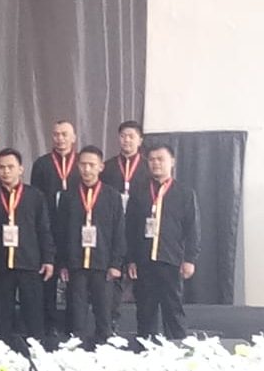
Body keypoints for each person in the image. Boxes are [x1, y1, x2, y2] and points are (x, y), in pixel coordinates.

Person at [0, 149, 54, 347]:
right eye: (1, 167)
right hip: (0, 265)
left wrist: (48, 259)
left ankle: (36, 352)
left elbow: (44, 230)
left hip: (30, 263)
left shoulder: (35, 196)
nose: (6, 171)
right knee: (0, 316)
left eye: (10, 167)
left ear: (21, 169)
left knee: (33, 314)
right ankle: (0, 353)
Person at [126, 145, 200, 340]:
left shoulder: (184, 193)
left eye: (161, 159)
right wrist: (131, 259)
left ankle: (178, 349)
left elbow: (192, 229)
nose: (156, 163)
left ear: (172, 162)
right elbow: (130, 228)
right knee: (145, 310)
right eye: (152, 159)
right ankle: (146, 350)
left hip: (171, 260)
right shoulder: (139, 192)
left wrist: (190, 259)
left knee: (173, 309)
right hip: (144, 262)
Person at [57, 145, 125, 346]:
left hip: (103, 264)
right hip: (75, 263)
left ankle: (104, 348)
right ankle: (76, 349)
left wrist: (116, 263)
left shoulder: (112, 196)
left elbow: (119, 232)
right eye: (83, 165)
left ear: (101, 167)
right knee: (76, 313)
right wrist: (62, 263)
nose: (87, 169)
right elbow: (60, 232)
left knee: (104, 313)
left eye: (91, 165)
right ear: (78, 166)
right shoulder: (68, 196)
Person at [30, 120, 80, 335]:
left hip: (76, 232)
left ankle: (73, 327)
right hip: (49, 229)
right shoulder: (42, 164)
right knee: (47, 278)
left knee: (75, 281)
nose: (60, 138)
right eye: (56, 134)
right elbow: (35, 199)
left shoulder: (82, 163)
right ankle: (49, 326)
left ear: (73, 137)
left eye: (64, 134)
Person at [101, 121, 149, 332]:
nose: (126, 140)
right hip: (113, 228)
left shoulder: (148, 166)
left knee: (142, 278)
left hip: (141, 228)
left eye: (131, 136)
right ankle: (111, 321)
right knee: (114, 276)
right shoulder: (108, 167)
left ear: (140, 140)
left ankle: (145, 327)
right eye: (123, 136)